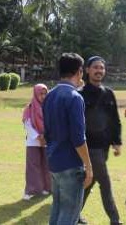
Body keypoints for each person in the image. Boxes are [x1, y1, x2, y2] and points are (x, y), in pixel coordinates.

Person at [43, 53, 93, 225]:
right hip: (71, 163)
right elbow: (78, 138)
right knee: (69, 214)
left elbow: (46, 133)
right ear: (79, 71)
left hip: (54, 161)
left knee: (57, 208)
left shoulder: (49, 95)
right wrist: (88, 165)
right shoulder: (75, 97)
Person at [78, 56, 123, 225]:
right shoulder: (79, 95)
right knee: (105, 182)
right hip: (89, 148)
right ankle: (115, 220)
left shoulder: (108, 93)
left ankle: (74, 214)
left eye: (102, 68)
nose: (99, 71)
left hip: (103, 148)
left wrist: (116, 142)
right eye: (95, 67)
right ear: (87, 70)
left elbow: (115, 120)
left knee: (89, 181)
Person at [22, 83, 51, 200]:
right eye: (40, 94)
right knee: (33, 166)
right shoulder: (29, 108)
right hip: (33, 141)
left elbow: (52, 123)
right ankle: (31, 190)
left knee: (47, 165)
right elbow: (27, 124)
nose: (43, 96)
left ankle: (46, 188)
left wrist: (46, 136)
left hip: (47, 141)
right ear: (35, 94)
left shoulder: (50, 108)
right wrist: (38, 137)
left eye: (45, 94)